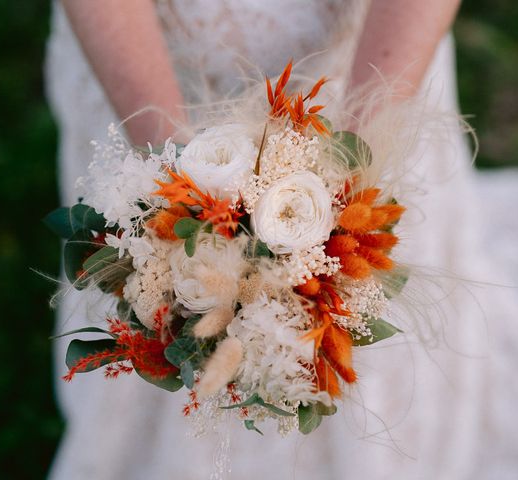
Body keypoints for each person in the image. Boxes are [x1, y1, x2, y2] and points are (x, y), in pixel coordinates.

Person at [45, 1, 487, 478]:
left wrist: (355, 170)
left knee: (367, 304)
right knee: (159, 303)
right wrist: (177, 197)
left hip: (372, 54)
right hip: (139, 60)